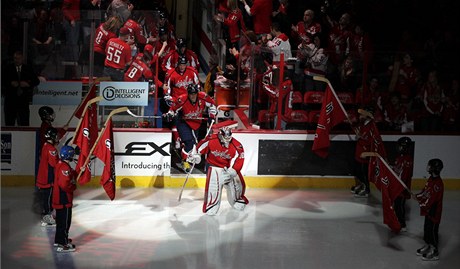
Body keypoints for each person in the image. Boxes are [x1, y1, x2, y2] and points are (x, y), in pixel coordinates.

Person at [187, 123, 249, 215]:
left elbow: (240, 157)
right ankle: (212, 205)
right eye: (225, 138)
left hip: (227, 168)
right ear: (220, 135)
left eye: (229, 137)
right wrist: (195, 156)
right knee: (213, 187)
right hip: (213, 166)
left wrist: (234, 170)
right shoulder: (210, 140)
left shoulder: (237, 145)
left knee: (236, 185)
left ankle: (237, 201)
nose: (227, 140)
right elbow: (198, 149)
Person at [164, 84, 217, 172]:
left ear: (197, 93)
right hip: (183, 122)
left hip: (196, 123)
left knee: (193, 145)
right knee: (189, 142)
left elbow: (212, 105)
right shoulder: (182, 99)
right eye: (191, 93)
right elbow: (172, 109)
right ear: (188, 93)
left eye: (194, 93)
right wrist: (169, 115)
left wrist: (212, 115)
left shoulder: (203, 97)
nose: (193, 96)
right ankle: (184, 162)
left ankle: (185, 154)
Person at [352, 106, 387, 197]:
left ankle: (366, 189)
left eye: (362, 114)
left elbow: (373, 139)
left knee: (364, 171)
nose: (360, 116)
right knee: (357, 170)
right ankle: (362, 185)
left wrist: (362, 138)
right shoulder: (363, 124)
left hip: (364, 152)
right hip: (359, 150)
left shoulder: (372, 126)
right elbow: (360, 134)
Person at [414, 158, 444, 261]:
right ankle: (428, 245)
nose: (427, 167)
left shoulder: (438, 185)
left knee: (432, 231)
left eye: (429, 165)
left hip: (434, 213)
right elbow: (425, 191)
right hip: (428, 211)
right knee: (426, 229)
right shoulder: (430, 179)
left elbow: (431, 200)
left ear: (434, 168)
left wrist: (422, 204)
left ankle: (434, 251)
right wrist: (417, 196)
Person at [1, 50, 40, 126]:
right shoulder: (7, 68)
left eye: (18, 58)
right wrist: (10, 83)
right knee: (9, 122)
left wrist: (27, 84)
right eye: (15, 58)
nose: (16, 60)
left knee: (24, 122)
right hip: (10, 101)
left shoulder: (28, 69)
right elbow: (2, 80)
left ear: (22, 59)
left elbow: (36, 81)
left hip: (23, 101)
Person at [53, 145, 77, 253]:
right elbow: (64, 184)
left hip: (59, 198)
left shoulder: (60, 164)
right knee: (65, 222)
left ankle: (59, 240)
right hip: (64, 199)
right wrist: (73, 186)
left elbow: (67, 175)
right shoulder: (65, 168)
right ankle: (63, 244)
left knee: (60, 221)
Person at [36, 127, 59, 227]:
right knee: (48, 198)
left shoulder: (46, 145)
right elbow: (54, 164)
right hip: (47, 179)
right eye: (56, 136)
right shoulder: (51, 149)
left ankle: (45, 215)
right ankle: (47, 217)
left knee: (45, 198)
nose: (57, 137)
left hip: (42, 177)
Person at [392, 137, 413, 232]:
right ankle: (397, 221)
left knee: (399, 206)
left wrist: (400, 187)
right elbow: (397, 170)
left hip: (401, 189)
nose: (398, 148)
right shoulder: (399, 157)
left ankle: (402, 224)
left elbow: (404, 176)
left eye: (400, 146)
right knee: (396, 205)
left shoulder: (407, 160)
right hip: (397, 187)